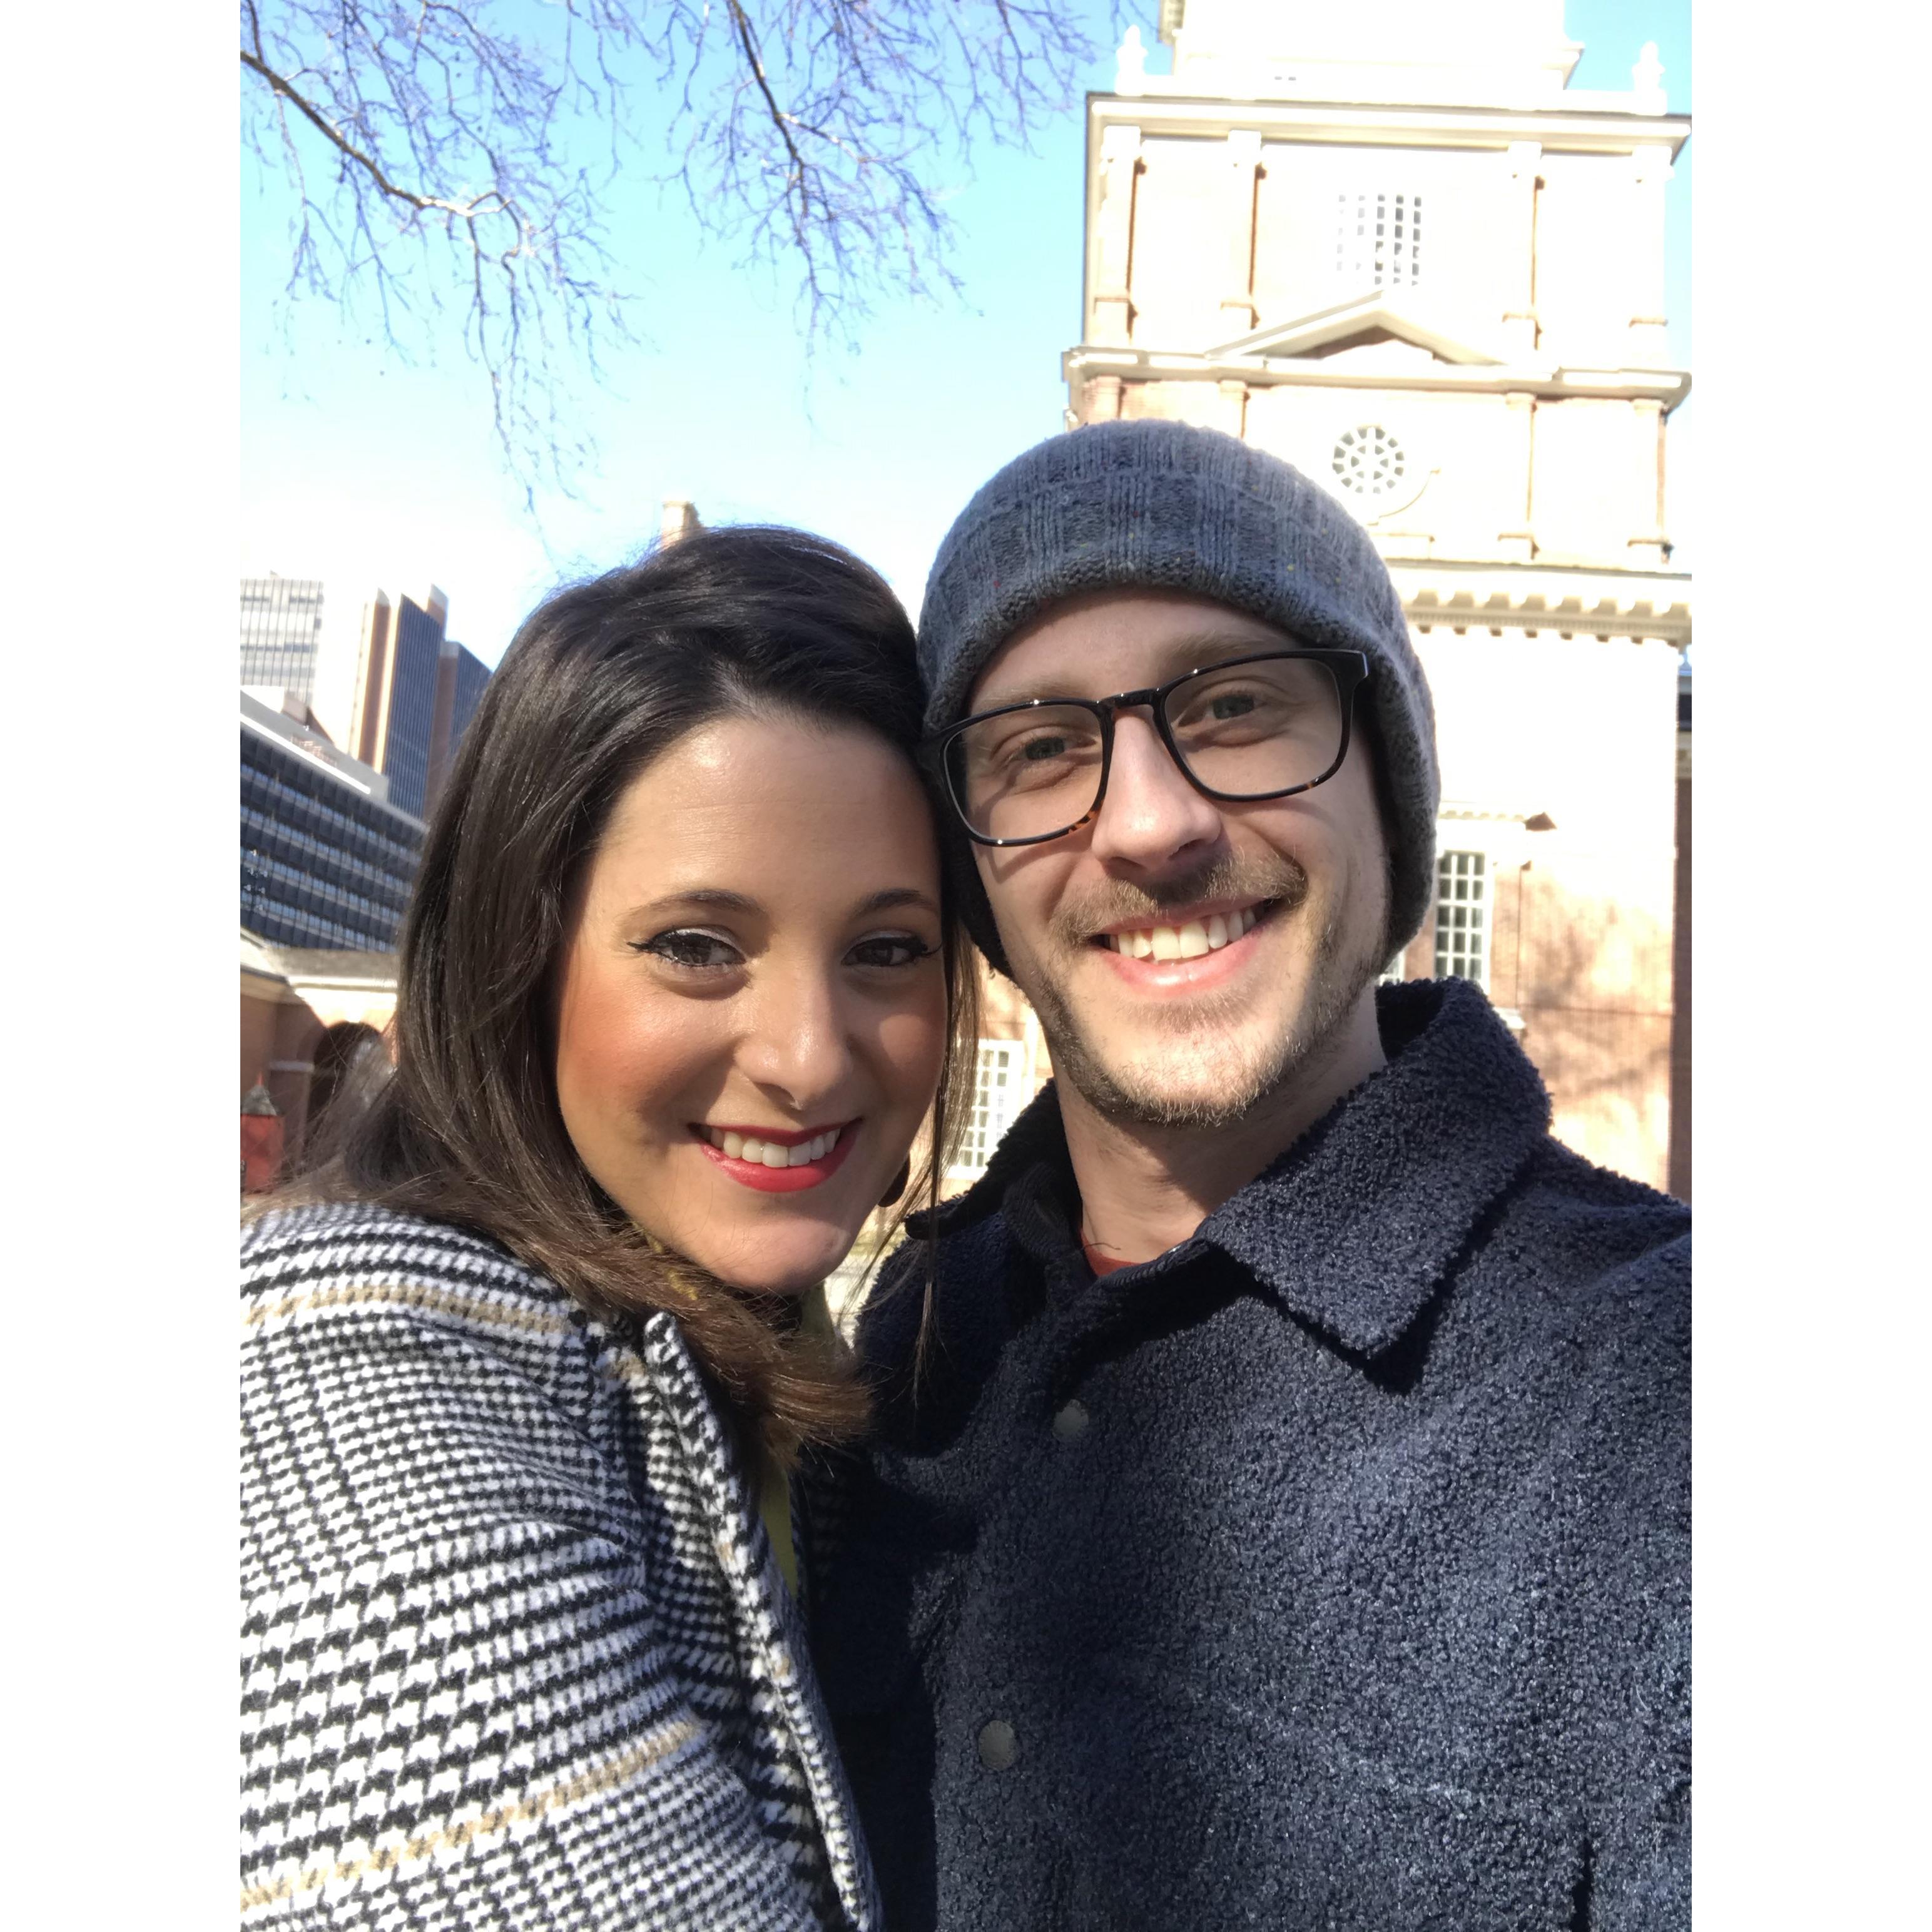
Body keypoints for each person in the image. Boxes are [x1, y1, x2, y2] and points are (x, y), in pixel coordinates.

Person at [803, 420, 1691, 1931]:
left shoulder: (1672, 1399)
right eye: (1039, 748)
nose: (1149, 823)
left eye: (1234, 707)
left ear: (1389, 802)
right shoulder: (912, 1336)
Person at [240, 526, 980, 1930]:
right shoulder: (353, 1368)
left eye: (886, 947)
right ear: (518, 955)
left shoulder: (773, 1361)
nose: (811, 1058)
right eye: (698, 945)